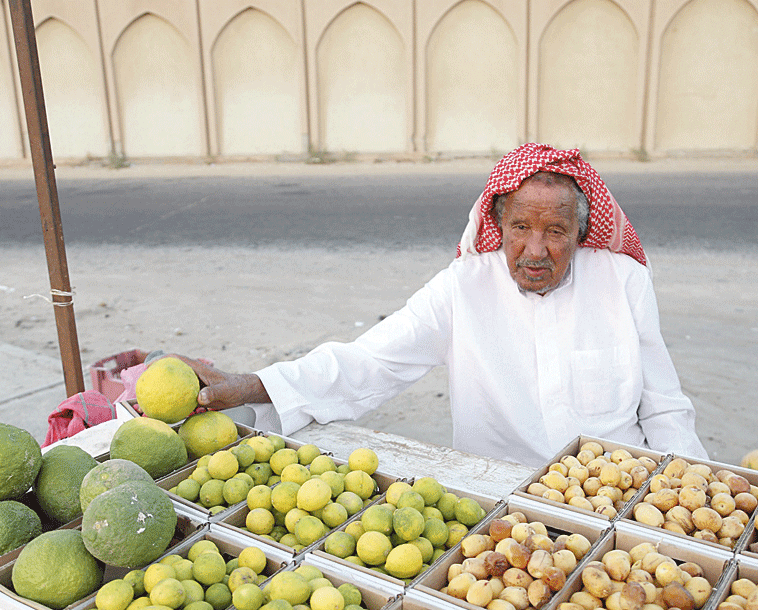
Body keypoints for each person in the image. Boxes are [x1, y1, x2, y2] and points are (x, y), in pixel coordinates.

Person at [178, 143, 707, 467]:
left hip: (618, 497)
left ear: (581, 231)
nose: (536, 250)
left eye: (557, 231)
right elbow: (369, 364)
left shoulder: (622, 281)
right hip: (504, 502)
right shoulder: (462, 288)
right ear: (498, 224)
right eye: (521, 228)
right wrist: (251, 386)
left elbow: (663, 408)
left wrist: (696, 491)